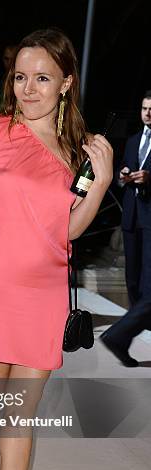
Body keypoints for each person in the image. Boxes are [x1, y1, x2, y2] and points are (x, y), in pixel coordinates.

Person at [0, 28, 113, 470]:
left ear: (66, 84)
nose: (29, 88)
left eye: (43, 78)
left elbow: (66, 232)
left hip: (42, 295)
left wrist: (97, 185)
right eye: (21, 77)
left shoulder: (79, 152)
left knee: (18, 420)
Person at [101, 91, 151, 366]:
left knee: (148, 285)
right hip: (132, 216)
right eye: (144, 108)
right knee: (133, 278)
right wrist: (124, 176)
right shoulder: (133, 141)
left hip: (149, 217)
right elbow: (123, 171)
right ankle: (133, 327)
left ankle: (120, 334)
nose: (147, 113)